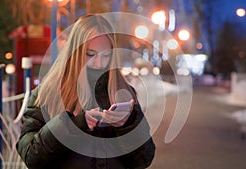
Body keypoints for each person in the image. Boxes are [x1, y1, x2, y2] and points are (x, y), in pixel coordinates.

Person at [16, 13, 155, 169]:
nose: (98, 63)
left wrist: (128, 125)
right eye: (90, 54)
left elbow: (144, 159)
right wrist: (71, 125)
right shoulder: (49, 92)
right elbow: (31, 157)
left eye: (106, 55)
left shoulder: (123, 91)